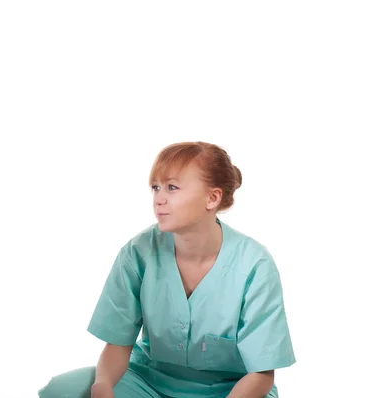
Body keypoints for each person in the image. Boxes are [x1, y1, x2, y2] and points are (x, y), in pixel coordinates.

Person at [38, 142, 296, 398]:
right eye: (155, 187)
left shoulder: (255, 265)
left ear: (212, 197)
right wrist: (102, 387)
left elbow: (261, 374)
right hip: (149, 382)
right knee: (61, 392)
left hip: (232, 391)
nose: (158, 199)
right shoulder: (138, 252)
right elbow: (118, 344)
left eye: (172, 187)